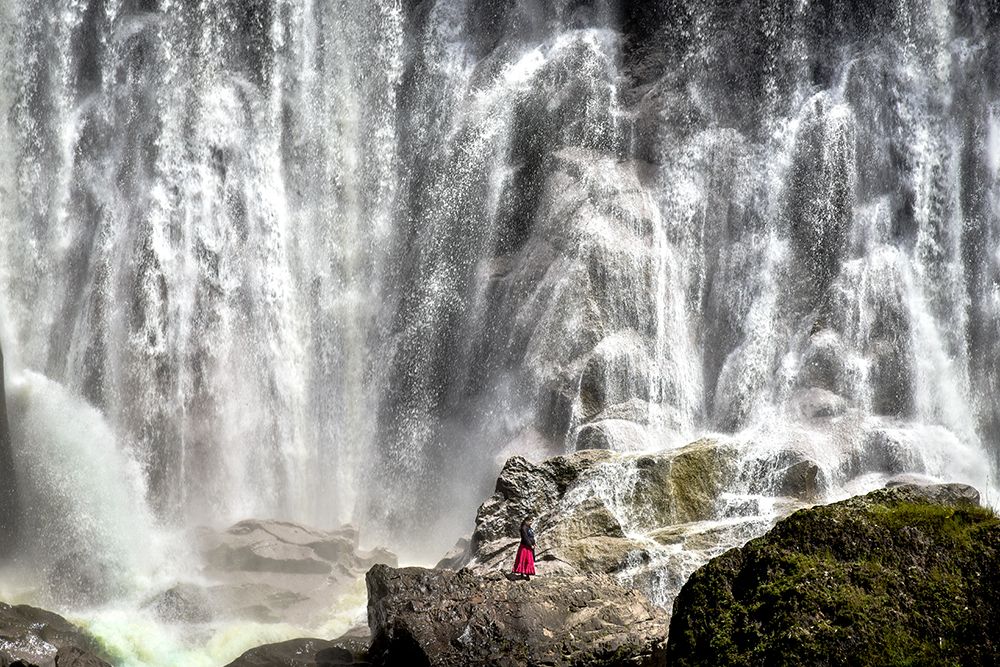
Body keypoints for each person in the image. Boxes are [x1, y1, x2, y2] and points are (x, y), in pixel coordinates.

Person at [512, 516, 536, 580]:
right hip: (525, 547)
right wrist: (530, 544)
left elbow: (531, 536)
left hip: (529, 546)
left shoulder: (528, 527)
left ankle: (527, 574)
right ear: (526, 521)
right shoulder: (524, 528)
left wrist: (533, 543)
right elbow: (525, 537)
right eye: (530, 521)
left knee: (528, 560)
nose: (531, 522)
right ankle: (523, 574)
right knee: (524, 560)